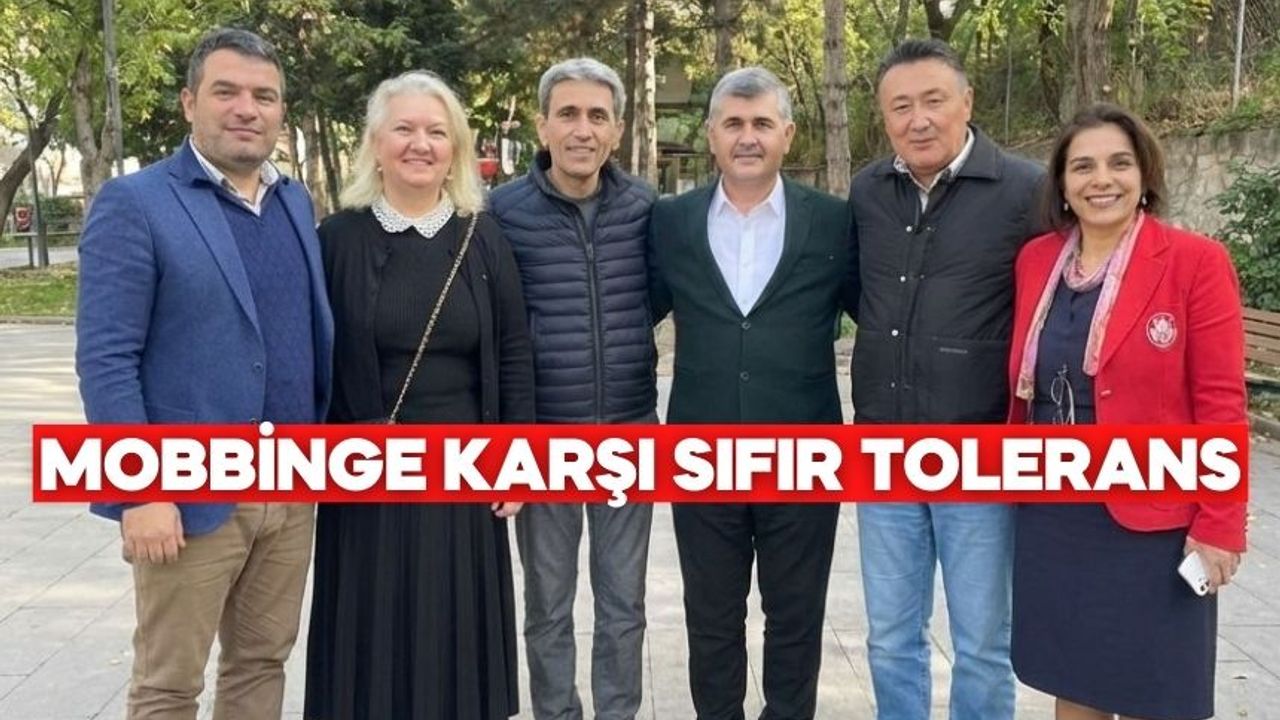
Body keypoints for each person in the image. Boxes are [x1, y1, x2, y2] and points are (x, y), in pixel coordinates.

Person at [75, 28, 331, 720]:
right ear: (190, 102)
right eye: (227, 92)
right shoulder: (136, 203)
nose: (247, 108)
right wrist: (141, 490)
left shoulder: (293, 202)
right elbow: (106, 358)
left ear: (280, 112)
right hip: (188, 495)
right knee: (168, 685)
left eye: (264, 96)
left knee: (261, 664)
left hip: (290, 485)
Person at [303, 70, 534, 720]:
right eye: (403, 128)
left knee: (454, 629)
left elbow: (515, 351)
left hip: (465, 473)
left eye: (436, 131)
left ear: (454, 147)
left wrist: (519, 459)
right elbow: (311, 356)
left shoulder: (482, 236)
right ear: (376, 144)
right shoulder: (336, 239)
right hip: (366, 473)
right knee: (368, 632)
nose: (420, 144)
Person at [1008, 102, 1246, 720]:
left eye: (1119, 163)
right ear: (1062, 184)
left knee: (1154, 690)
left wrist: (1220, 523)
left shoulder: (1195, 262)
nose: (1101, 179)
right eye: (1082, 166)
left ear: (1144, 175)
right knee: (1073, 679)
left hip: (1152, 522)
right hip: (1055, 513)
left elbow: (1222, 402)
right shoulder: (1037, 261)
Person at [846, 38, 1044, 720]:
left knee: (983, 642)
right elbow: (861, 294)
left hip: (979, 451)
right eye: (900, 106)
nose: (918, 119)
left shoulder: (1026, 190)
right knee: (890, 636)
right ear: (884, 117)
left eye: (933, 100)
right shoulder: (869, 190)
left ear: (967, 101)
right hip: (883, 448)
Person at [649, 66, 848, 720]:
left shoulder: (833, 223)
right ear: (711, 134)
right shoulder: (670, 222)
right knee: (711, 619)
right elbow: (633, 312)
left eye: (762, 123)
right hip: (700, 454)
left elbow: (881, 316)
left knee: (796, 617)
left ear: (787, 134)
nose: (747, 137)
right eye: (733, 123)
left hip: (804, 453)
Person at [489, 58, 657, 720]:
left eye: (596, 116)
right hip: (543, 438)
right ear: (542, 126)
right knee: (547, 606)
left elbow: (659, 297)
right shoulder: (501, 212)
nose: (582, 129)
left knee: (624, 604)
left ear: (616, 130)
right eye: (567, 114)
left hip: (629, 433)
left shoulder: (646, 208)